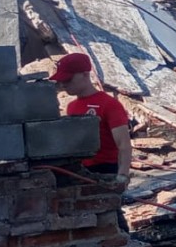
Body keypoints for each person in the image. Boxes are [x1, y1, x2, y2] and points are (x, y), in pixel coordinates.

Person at [49, 52, 133, 192]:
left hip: (106, 168)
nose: (63, 84)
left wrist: (122, 175)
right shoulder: (71, 106)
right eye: (62, 80)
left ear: (84, 74)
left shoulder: (109, 104)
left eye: (68, 79)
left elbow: (124, 144)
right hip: (80, 170)